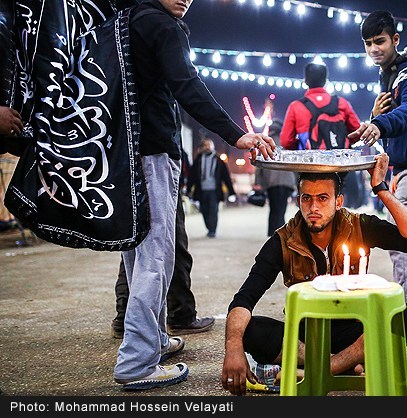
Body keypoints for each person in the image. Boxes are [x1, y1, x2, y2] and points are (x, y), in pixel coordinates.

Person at [113, 0, 276, 391]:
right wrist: (236, 133)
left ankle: (151, 341)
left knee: (136, 254)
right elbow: (188, 86)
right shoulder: (164, 27)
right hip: (152, 151)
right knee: (156, 256)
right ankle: (136, 361)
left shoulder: (122, 23)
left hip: (123, 151)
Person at [221, 153, 407, 396]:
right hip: (308, 337)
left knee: (406, 317)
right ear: (298, 200)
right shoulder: (282, 241)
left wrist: (381, 189)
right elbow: (245, 298)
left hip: (355, 331)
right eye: (307, 199)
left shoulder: (358, 225)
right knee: (249, 330)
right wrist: (233, 348)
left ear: (338, 201)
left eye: (323, 198)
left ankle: (322, 370)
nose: (314, 207)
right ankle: (349, 366)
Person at [348, 10, 407, 342]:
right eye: (368, 43)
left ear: (395, 40)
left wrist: (380, 124)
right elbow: (396, 117)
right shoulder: (392, 77)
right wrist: (376, 116)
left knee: (404, 244)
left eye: (380, 41)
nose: (374, 48)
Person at [111, 191, 216, 339]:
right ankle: (181, 315)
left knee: (133, 249)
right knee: (172, 244)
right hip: (159, 180)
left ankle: (125, 318)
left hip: (128, 183)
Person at [280, 62, 361, 151]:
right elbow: (358, 132)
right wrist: (342, 141)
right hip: (339, 162)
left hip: (309, 162)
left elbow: (286, 141)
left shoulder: (295, 106)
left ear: (305, 81)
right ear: (325, 81)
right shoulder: (342, 103)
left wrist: (302, 146)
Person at [253, 119, 297, 236]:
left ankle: (273, 234)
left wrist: (258, 182)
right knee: (281, 210)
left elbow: (259, 165)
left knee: (273, 209)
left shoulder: (264, 143)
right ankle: (280, 234)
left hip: (271, 182)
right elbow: (295, 163)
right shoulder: (288, 142)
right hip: (287, 181)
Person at [188, 137, 235, 238]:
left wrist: (231, 191)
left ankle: (212, 230)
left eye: (209, 145)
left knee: (213, 210)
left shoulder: (218, 160)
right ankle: (209, 228)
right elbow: (192, 176)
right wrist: (188, 189)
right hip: (201, 190)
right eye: (205, 145)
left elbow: (226, 177)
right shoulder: (198, 159)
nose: (207, 147)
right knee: (204, 210)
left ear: (213, 147)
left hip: (214, 190)